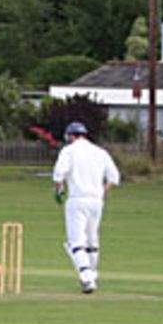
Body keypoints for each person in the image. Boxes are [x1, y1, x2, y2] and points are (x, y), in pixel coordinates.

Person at [53, 121, 120, 294]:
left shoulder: (68, 151)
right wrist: (102, 192)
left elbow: (59, 175)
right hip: (97, 201)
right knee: (91, 240)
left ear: (71, 136)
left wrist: (59, 191)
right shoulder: (100, 152)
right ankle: (92, 274)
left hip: (77, 199)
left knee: (74, 242)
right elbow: (114, 177)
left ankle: (87, 276)